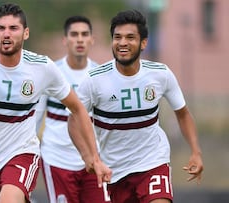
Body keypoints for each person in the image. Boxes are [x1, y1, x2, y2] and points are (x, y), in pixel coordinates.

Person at [0, 3, 111, 203]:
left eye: (13, 28)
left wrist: (94, 158)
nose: (7, 34)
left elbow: (77, 108)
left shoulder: (41, 67)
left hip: (22, 153)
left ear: (25, 33)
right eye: (2, 28)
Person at [67, 10, 204, 203]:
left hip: (153, 162)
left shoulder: (161, 74)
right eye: (117, 37)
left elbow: (183, 114)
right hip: (116, 171)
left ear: (144, 43)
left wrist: (196, 152)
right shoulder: (94, 79)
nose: (122, 43)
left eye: (130, 37)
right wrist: (88, 157)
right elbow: (74, 119)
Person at [36, 16, 111, 203]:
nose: (79, 39)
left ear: (92, 40)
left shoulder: (101, 76)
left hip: (94, 161)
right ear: (65, 40)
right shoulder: (51, 73)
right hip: (57, 159)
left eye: (84, 34)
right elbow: (36, 117)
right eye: (74, 34)